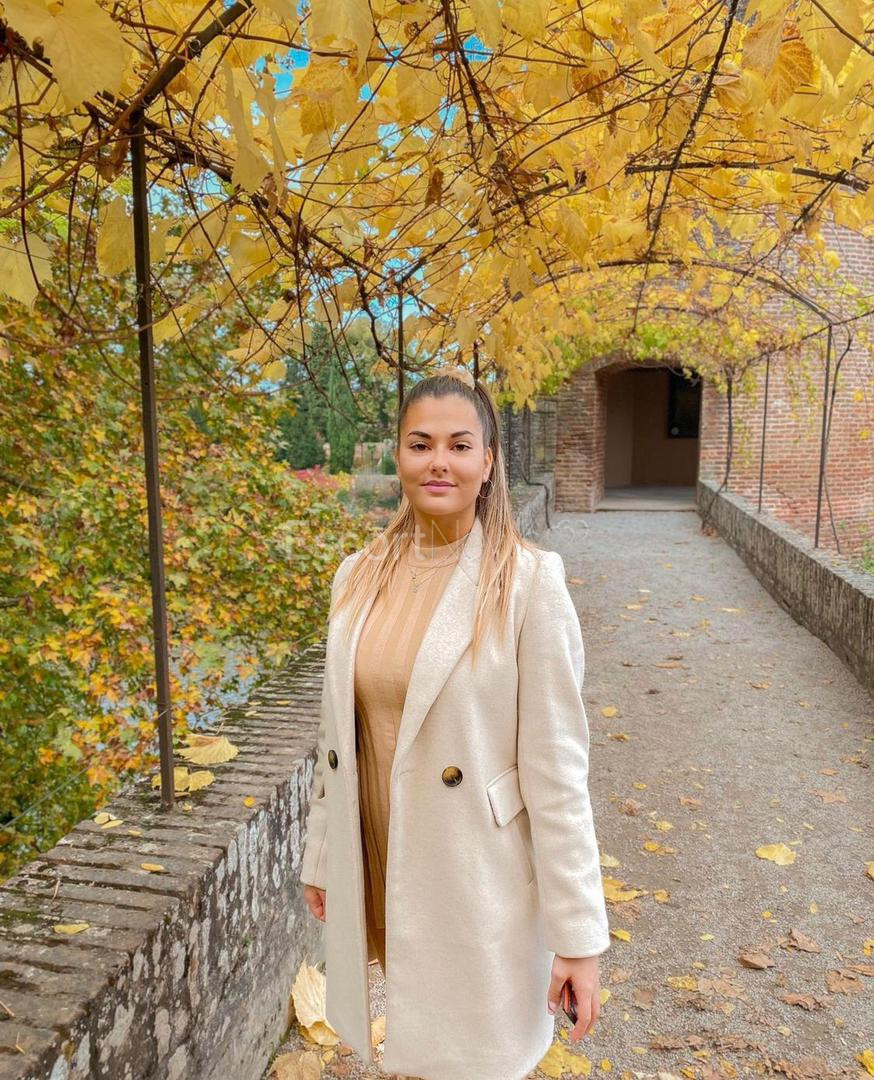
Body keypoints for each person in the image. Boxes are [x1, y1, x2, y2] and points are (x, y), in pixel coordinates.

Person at [300, 368, 611, 1080]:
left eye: (459, 445)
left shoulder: (528, 582)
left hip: (475, 869)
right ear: (399, 456)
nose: (438, 461)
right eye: (420, 444)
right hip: (382, 854)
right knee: (417, 1043)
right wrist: (323, 854)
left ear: (488, 462)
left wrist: (578, 938)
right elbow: (336, 740)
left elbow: (558, 774)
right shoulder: (356, 576)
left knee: (471, 1057)